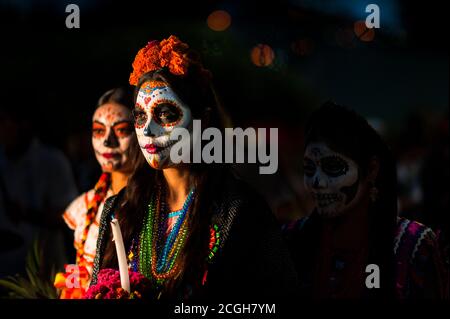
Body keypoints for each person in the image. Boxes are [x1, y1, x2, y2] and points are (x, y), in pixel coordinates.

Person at [90, 35, 297, 300]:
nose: (148, 130)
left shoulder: (240, 210)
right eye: (140, 116)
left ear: (203, 118)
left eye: (165, 114)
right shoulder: (119, 209)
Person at [283, 102, 448, 299]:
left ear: (371, 170)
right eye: (309, 168)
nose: (317, 182)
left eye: (333, 166)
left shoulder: (413, 247)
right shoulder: (290, 240)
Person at [55, 88, 136, 298]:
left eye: (121, 130)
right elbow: (78, 267)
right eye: (99, 131)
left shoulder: (158, 204)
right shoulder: (85, 206)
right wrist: (70, 291)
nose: (108, 141)